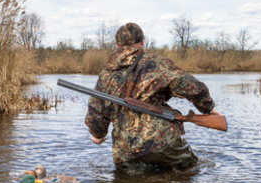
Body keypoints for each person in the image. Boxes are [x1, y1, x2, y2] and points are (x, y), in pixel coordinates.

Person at [84, 22, 219, 174]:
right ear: (141, 43)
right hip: (164, 142)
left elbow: (96, 112)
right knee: (191, 172)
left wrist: (98, 134)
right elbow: (192, 85)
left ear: (117, 45)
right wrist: (208, 108)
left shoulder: (105, 74)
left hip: (126, 150)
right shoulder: (156, 63)